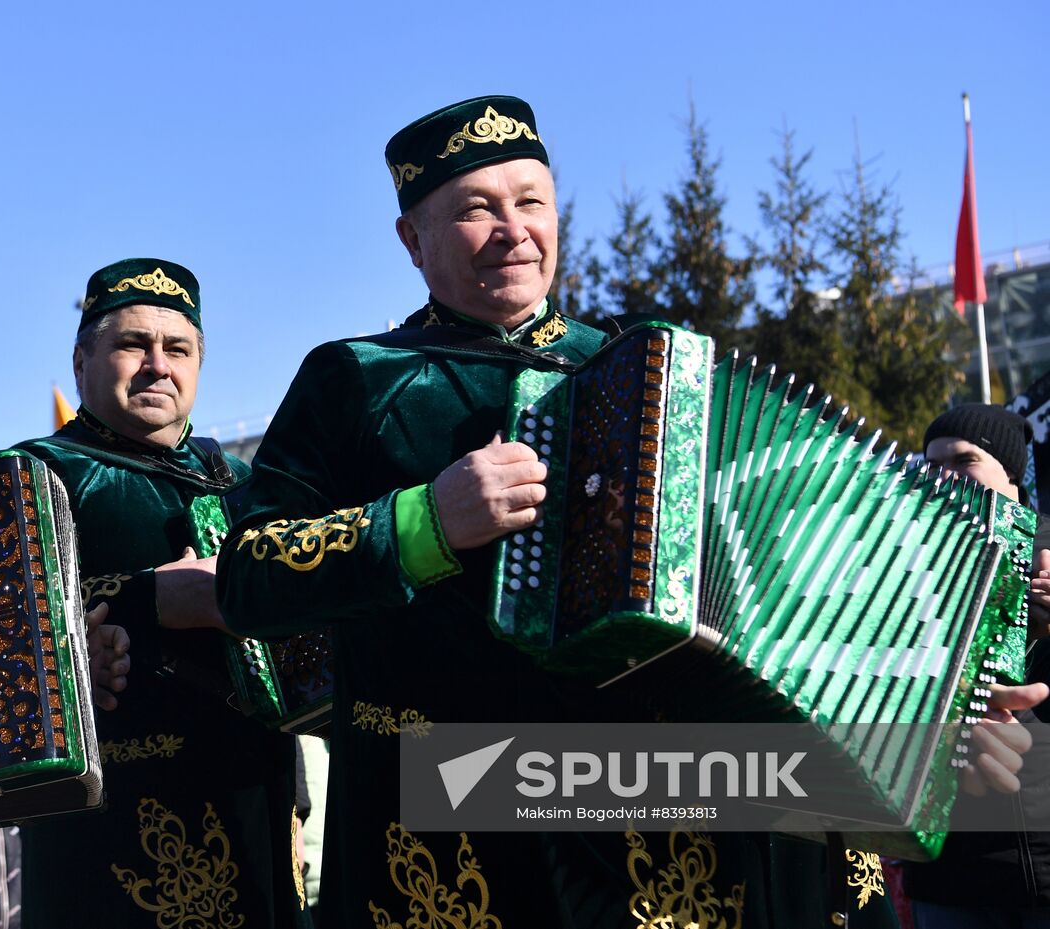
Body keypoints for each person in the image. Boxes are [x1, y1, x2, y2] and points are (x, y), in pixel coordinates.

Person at [214, 95, 1041, 928]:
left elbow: (793, 615)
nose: (513, 229)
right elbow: (246, 579)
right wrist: (426, 519)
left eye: (532, 201)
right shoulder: (355, 378)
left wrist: (932, 734)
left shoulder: (652, 379)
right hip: (450, 833)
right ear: (412, 241)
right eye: (476, 209)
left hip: (654, 837)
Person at [14, 258, 309, 928]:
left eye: (177, 348)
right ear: (82, 358)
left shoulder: (246, 484)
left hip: (254, 803)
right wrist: (144, 603)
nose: (157, 364)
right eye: (131, 344)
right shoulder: (31, 477)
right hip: (108, 837)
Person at [902, 404, 1050, 928]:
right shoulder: (899, 559)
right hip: (947, 875)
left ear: (1011, 480)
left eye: (964, 461)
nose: (942, 477)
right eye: (930, 464)